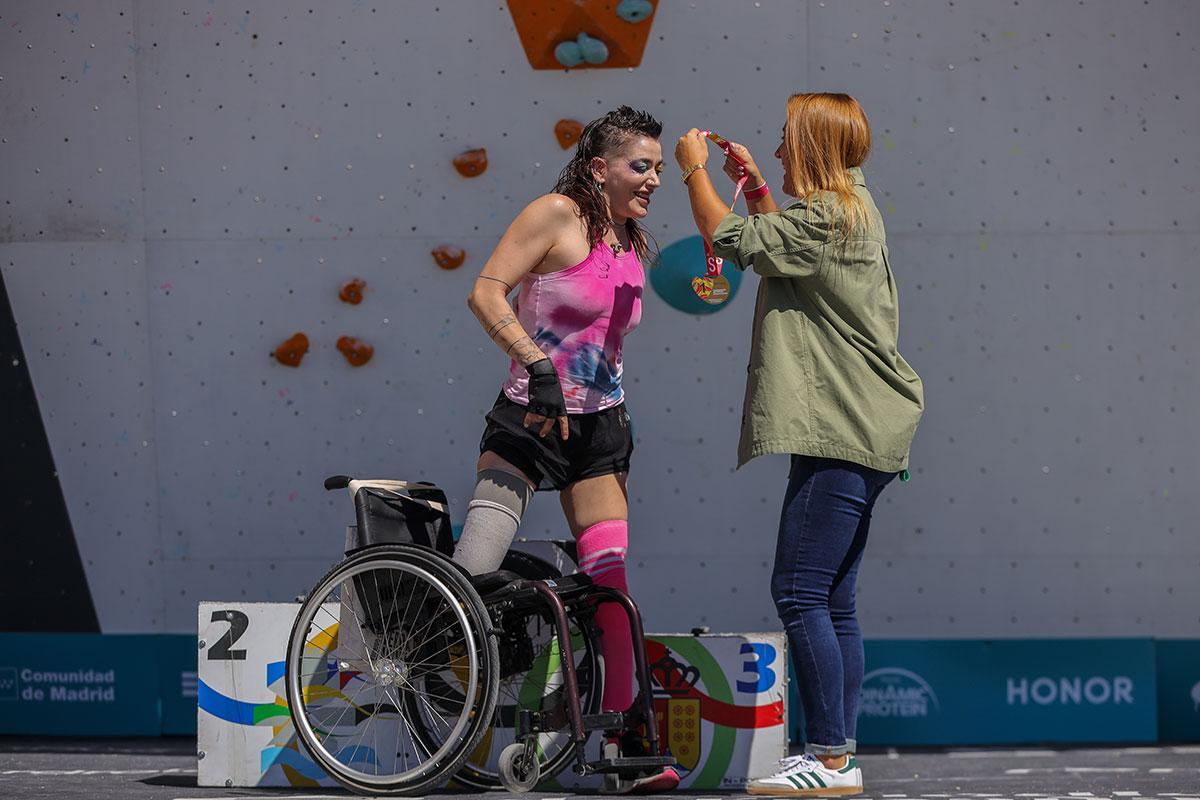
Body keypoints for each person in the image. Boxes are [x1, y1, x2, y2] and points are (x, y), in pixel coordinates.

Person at [675, 93, 924, 796]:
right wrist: (754, 186)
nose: (779, 152)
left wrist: (694, 171)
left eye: (786, 143)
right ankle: (836, 752)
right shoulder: (846, 211)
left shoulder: (828, 218)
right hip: (863, 424)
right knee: (834, 598)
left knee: (799, 590)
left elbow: (732, 241)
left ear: (811, 149)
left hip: (841, 426)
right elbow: (782, 245)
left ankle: (831, 758)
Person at [455, 106, 678, 793]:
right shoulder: (554, 214)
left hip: (599, 433)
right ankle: (446, 700)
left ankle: (629, 748)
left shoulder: (632, 241)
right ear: (597, 168)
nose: (654, 180)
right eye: (641, 166)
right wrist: (538, 365)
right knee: (475, 572)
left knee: (612, 590)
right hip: (530, 419)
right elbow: (484, 291)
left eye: (660, 169)